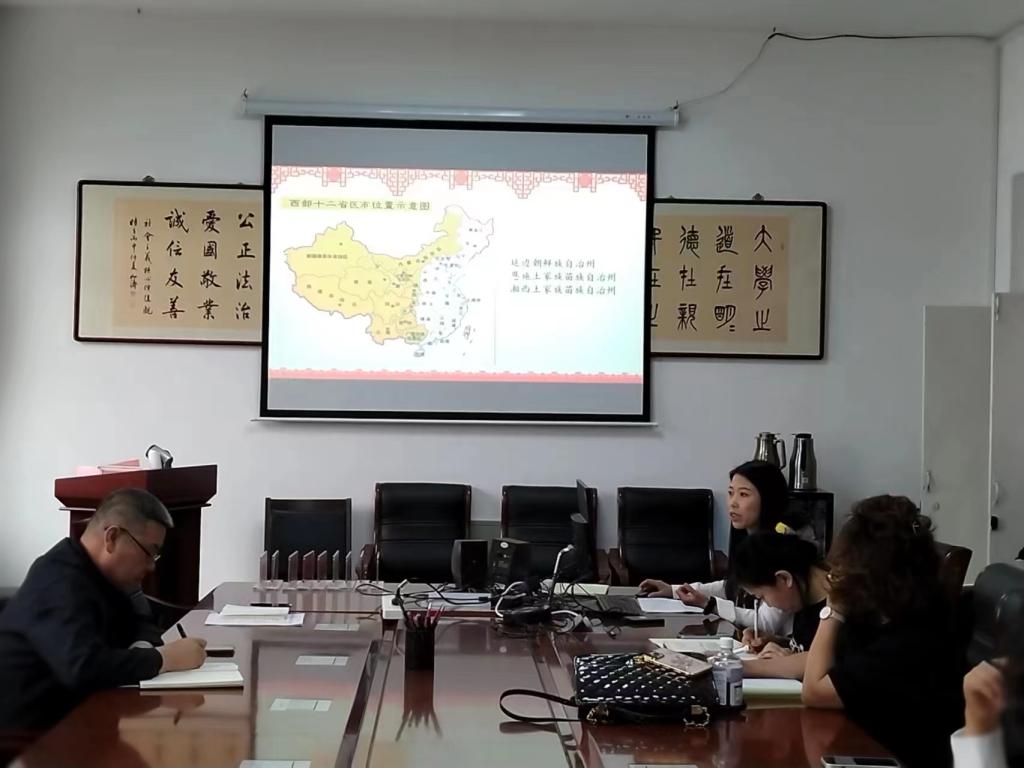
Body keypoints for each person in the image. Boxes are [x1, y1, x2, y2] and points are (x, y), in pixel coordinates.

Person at [0, 488, 207, 741]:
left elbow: (141, 622)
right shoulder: (59, 580)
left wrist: (142, 649)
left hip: (78, 722)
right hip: (27, 736)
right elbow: (83, 667)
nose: (151, 566)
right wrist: (162, 659)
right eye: (148, 552)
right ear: (112, 537)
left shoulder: (104, 577)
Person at [802, 495, 964, 768]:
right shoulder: (883, 612)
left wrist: (832, 610)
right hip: (860, 745)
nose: (838, 572)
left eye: (847, 564)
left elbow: (814, 691)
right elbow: (825, 667)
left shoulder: (913, 639)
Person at [639, 460, 809, 633]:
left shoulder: (781, 546)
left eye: (743, 494)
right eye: (730, 493)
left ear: (768, 499)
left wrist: (709, 604)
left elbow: (766, 623)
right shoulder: (748, 540)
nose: (733, 503)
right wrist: (673, 590)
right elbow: (731, 586)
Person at [731, 532, 829, 679]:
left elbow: (826, 661)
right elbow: (808, 646)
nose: (768, 604)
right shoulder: (803, 594)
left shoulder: (839, 608)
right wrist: (775, 641)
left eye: (762, 597)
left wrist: (741, 667)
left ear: (784, 578)